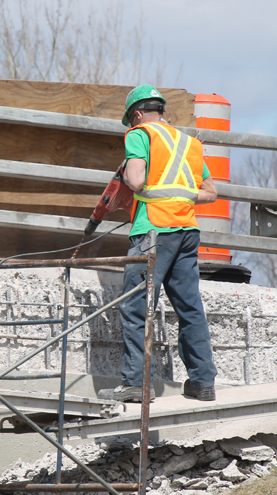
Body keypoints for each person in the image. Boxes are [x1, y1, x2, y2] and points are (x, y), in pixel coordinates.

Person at [98, 85, 218, 403]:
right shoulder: (188, 143)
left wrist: (130, 181)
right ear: (160, 110)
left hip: (153, 230)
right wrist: (180, 195)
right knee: (190, 307)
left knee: (136, 306)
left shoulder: (140, 135)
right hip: (187, 231)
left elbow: (136, 181)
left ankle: (135, 383)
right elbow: (211, 191)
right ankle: (203, 382)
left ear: (136, 114)